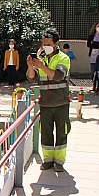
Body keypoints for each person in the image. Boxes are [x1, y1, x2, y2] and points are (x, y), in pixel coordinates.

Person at [27, 28, 71, 172]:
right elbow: (31, 77)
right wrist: (31, 66)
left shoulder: (63, 58)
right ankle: (47, 160)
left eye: (48, 43)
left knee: (61, 132)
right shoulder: (42, 59)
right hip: (45, 102)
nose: (45, 45)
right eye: (43, 43)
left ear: (56, 43)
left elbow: (58, 76)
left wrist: (42, 66)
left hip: (61, 102)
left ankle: (59, 161)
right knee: (45, 133)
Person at [87, 22, 99, 93]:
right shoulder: (91, 35)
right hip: (92, 56)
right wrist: (96, 45)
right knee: (93, 71)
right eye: (98, 26)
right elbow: (89, 44)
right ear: (95, 27)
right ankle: (94, 85)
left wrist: (95, 44)